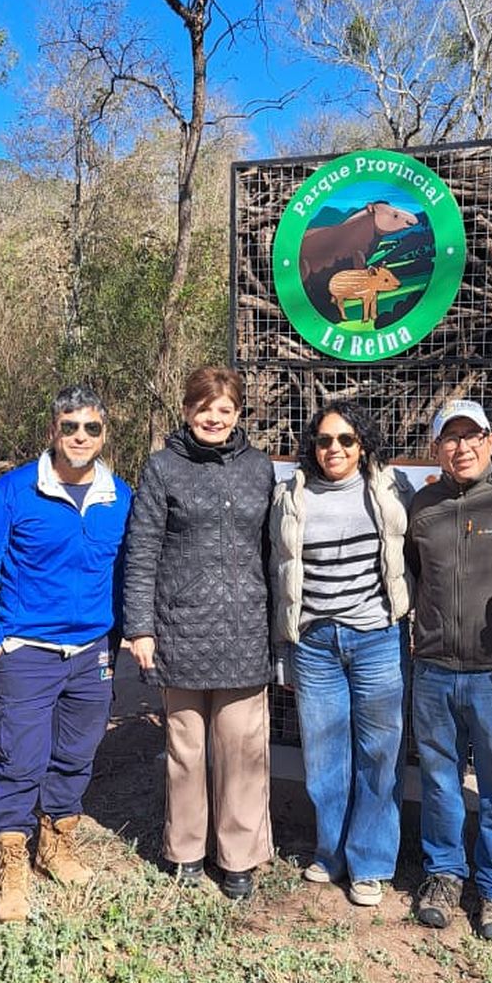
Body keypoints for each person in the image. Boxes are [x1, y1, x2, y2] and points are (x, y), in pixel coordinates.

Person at [0, 385, 132, 923]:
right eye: (70, 426)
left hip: (93, 651)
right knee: (20, 756)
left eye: (92, 428)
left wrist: (117, 640)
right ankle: (11, 868)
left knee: (76, 754)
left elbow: (128, 575)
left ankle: (55, 845)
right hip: (26, 650)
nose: (80, 436)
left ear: (104, 435)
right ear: (52, 431)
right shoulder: (12, 492)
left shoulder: (119, 497)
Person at [123, 366, 275, 899]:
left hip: (244, 632)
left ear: (237, 415)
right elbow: (141, 553)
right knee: (186, 749)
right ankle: (186, 850)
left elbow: (273, 553)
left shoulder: (260, 470)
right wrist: (140, 627)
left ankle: (238, 856)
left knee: (241, 749)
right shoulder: (163, 468)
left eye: (225, 408)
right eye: (205, 407)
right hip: (180, 628)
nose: (214, 417)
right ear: (187, 410)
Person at [406, 399, 492, 940]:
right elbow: (415, 574)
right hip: (435, 668)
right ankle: (443, 875)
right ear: (437, 448)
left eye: (473, 436)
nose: (461, 447)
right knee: (440, 782)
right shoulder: (424, 506)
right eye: (450, 438)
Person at [270, 401, 412, 907]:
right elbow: (278, 572)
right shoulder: (290, 495)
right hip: (314, 644)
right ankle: (330, 852)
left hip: (377, 639)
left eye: (346, 440)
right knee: (324, 757)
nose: (335, 449)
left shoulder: (391, 489)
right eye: (325, 440)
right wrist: (282, 647)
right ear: (312, 445)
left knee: (378, 755)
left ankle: (369, 862)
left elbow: (413, 558)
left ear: (362, 445)